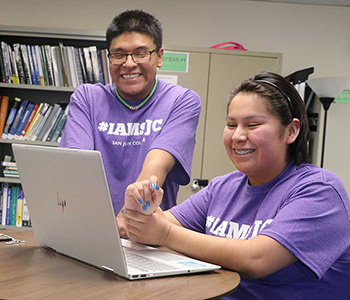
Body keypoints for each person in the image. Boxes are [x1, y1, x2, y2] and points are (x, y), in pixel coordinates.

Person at [122, 71, 350, 299]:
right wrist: (139, 212)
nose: (238, 136)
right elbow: (156, 225)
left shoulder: (320, 190)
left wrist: (164, 233)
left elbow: (256, 259)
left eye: (252, 125)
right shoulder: (223, 187)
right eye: (231, 125)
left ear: (291, 131)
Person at [59, 10, 201, 236]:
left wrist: (126, 218)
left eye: (141, 53)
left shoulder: (181, 101)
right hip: (91, 232)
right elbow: (77, 166)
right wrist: (100, 226)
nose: (129, 63)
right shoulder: (87, 98)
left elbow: (157, 165)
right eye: (119, 54)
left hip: (149, 238)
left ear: (159, 56)